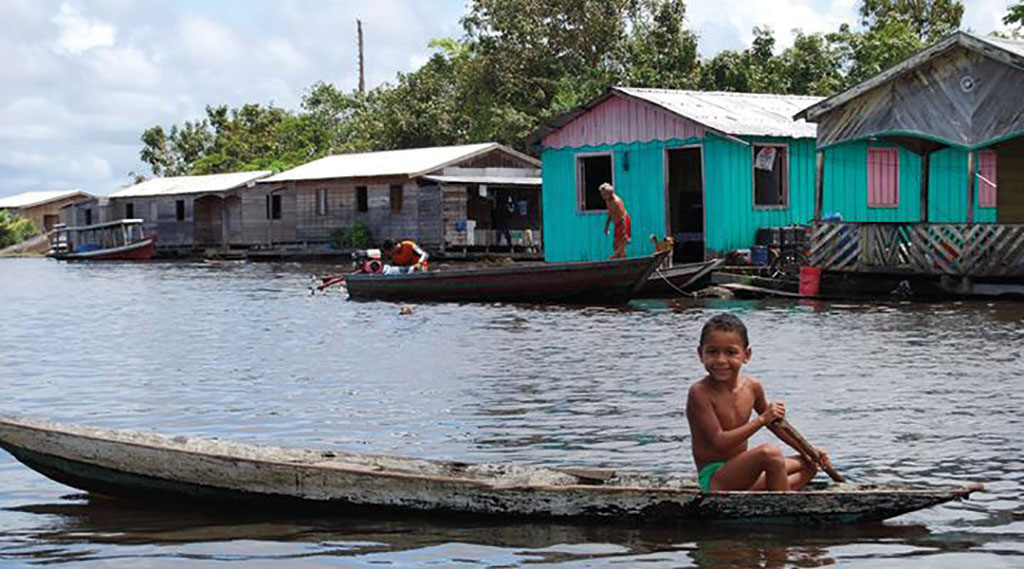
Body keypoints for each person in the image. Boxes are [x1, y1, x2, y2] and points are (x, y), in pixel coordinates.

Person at [686, 313, 831, 492]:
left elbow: (776, 425)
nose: (721, 360)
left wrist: (809, 451)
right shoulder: (699, 392)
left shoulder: (752, 387)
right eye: (712, 352)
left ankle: (779, 493)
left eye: (730, 353)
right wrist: (762, 419)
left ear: (746, 355)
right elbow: (720, 443)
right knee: (769, 453)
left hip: (744, 474)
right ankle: (782, 505)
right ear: (701, 354)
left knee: (810, 464)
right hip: (717, 479)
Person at [600, 183, 631, 259]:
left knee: (621, 243)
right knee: (615, 244)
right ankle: (619, 259)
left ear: (610, 193)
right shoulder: (608, 201)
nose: (603, 197)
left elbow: (622, 216)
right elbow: (611, 213)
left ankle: (620, 259)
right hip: (617, 223)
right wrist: (606, 226)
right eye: (602, 195)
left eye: (604, 195)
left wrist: (624, 231)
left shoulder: (617, 202)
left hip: (623, 222)